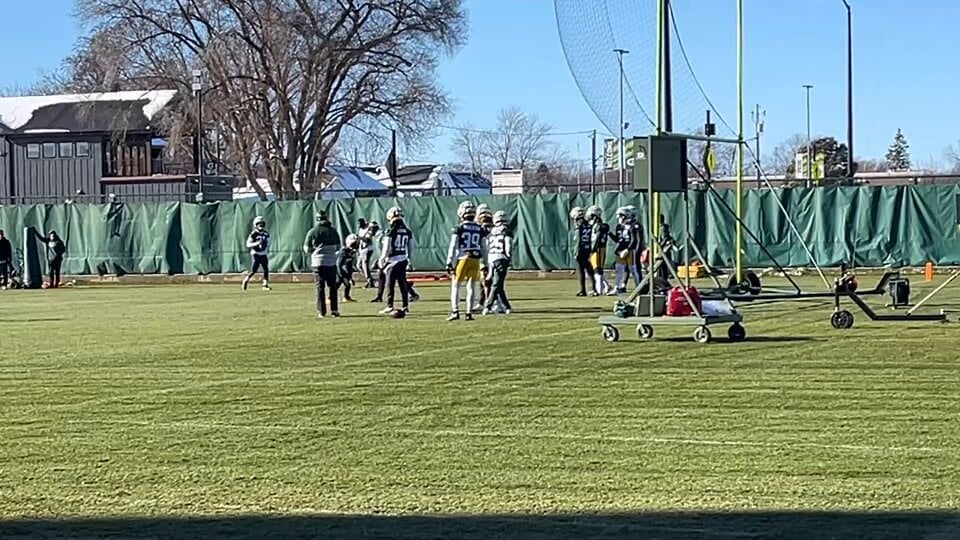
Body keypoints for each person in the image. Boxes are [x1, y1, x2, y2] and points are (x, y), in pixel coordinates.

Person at [446, 201, 487, 321]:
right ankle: (469, 313)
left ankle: (455, 311)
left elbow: (453, 246)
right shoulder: (480, 228)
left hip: (463, 258)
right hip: (475, 259)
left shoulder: (459, 228)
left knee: (456, 286)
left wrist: (449, 262)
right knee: (471, 286)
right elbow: (484, 247)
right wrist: (485, 263)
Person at [304, 210, 341, 318]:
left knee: (320, 287)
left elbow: (307, 249)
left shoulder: (313, 231)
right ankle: (334, 310)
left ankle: (322, 312)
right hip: (331, 262)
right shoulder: (333, 231)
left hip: (318, 262)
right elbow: (338, 247)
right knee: (332, 287)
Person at [378, 206, 415, 315]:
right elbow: (411, 246)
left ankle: (390, 305)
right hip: (403, 259)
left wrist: (382, 258)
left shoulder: (390, 231)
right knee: (402, 283)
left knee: (390, 284)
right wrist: (409, 259)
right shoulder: (407, 231)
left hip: (392, 260)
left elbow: (387, 246)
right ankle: (405, 306)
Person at [483, 211, 513, 315]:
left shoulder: (490, 232)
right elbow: (508, 246)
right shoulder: (506, 231)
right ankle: (488, 306)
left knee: (498, 284)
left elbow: (487, 247)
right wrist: (509, 258)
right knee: (497, 285)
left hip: (491, 258)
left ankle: (506, 307)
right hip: (501, 258)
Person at [610, 206, 641, 294]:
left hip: (630, 250)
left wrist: (628, 249)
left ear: (624, 216)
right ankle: (617, 287)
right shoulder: (619, 227)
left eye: (620, 216)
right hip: (620, 250)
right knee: (619, 270)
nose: (618, 218)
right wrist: (609, 233)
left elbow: (634, 240)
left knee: (633, 269)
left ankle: (639, 287)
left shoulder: (633, 226)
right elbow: (617, 239)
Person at [586, 205, 612, 296]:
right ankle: (606, 286)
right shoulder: (600, 225)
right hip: (597, 248)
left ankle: (599, 290)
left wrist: (592, 249)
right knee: (596, 269)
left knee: (598, 269)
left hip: (598, 249)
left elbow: (597, 238)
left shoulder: (599, 226)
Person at [474, 203, 495, 312]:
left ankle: (490, 303)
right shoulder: (483, 228)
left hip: (489, 257)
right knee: (484, 281)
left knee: (487, 281)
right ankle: (482, 302)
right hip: (488, 257)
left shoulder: (485, 229)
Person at [242, 216, 271, 291]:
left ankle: (265, 285)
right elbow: (248, 244)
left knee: (266, 269)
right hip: (256, 253)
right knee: (254, 270)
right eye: (259, 224)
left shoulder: (266, 234)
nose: (261, 226)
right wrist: (257, 243)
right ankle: (246, 280)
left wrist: (265, 247)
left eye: (262, 224)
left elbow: (268, 242)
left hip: (263, 253)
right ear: (256, 225)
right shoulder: (253, 234)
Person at [571, 207, 594, 297]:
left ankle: (583, 290)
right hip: (587, 248)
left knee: (581, 271)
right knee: (589, 269)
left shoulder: (579, 224)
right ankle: (594, 288)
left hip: (581, 249)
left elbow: (578, 239)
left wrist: (576, 252)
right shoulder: (588, 224)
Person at [338, 233, 359, 302]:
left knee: (347, 285)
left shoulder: (351, 252)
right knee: (340, 284)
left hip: (345, 270)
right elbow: (338, 263)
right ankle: (330, 297)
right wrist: (340, 273)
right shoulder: (343, 251)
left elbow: (349, 265)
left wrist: (350, 276)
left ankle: (346, 297)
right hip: (339, 270)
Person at [357, 219, 378, 288]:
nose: (359, 225)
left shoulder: (368, 228)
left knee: (364, 265)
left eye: (360, 223)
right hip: (362, 249)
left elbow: (367, 239)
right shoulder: (360, 229)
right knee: (359, 265)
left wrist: (359, 238)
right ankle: (370, 279)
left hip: (368, 249)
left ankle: (369, 281)